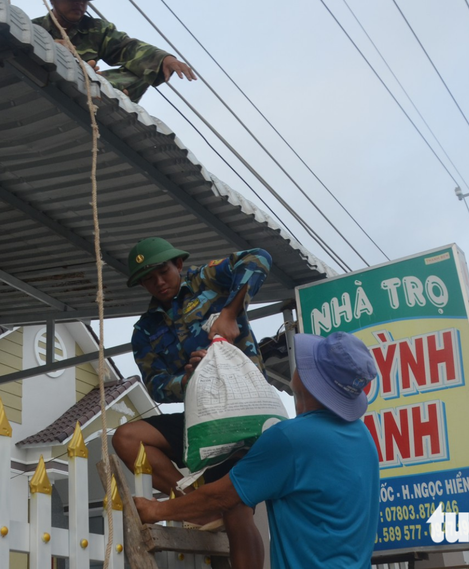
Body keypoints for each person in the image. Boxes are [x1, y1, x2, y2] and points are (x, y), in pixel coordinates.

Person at [134, 330, 381, 569]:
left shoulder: (291, 438)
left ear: (310, 379)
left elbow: (221, 496)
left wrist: (156, 509)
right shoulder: (363, 437)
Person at [111, 237, 272, 569]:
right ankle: (194, 504)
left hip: (243, 416)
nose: (158, 282)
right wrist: (186, 379)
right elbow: (156, 386)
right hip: (199, 420)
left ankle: (217, 505)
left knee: (237, 511)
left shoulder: (207, 279)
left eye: (163, 271)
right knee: (126, 438)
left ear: (179, 265)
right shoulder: (145, 330)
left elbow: (258, 257)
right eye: (148, 278)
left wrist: (229, 313)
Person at [32, 0, 197, 102]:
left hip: (90, 89)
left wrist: (164, 59)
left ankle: (111, 93)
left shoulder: (96, 29)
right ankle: (103, 90)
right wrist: (52, 48)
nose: (79, 3)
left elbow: (128, 48)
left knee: (145, 68)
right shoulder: (34, 29)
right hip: (44, 88)